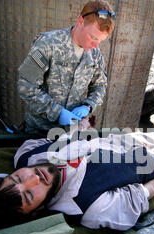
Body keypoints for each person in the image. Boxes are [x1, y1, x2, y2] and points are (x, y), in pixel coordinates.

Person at [0, 126, 154, 233]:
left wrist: (77, 130)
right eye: (29, 195)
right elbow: (141, 195)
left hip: (119, 141)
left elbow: (53, 140)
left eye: (17, 178)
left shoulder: (27, 156)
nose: (33, 178)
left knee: (147, 137)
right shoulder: (90, 206)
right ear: (36, 212)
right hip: (148, 162)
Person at [17, 1, 115, 136]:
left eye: (100, 40)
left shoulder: (95, 54)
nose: (96, 45)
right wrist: (57, 112)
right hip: (39, 131)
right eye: (92, 37)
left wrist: (88, 106)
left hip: (72, 132)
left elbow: (100, 86)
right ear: (80, 21)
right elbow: (26, 86)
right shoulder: (47, 44)